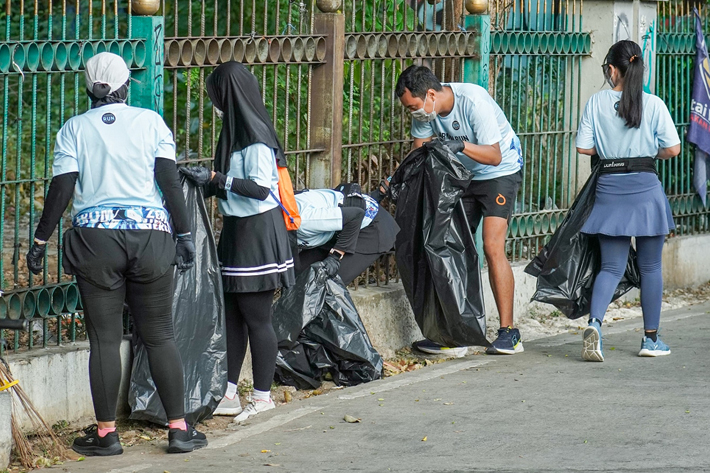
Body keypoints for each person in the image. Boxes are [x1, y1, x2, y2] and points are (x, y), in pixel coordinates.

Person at [25, 52, 206, 455]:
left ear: (89, 88)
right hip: (152, 236)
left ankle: (106, 435)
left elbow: (62, 189)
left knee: (104, 341)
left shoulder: (73, 129)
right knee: (160, 335)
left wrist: (40, 241)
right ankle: (178, 430)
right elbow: (169, 182)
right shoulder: (151, 122)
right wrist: (185, 234)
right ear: (126, 86)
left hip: (95, 241)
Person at [180, 61, 295, 423]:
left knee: (257, 317)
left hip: (258, 232)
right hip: (236, 230)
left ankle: (262, 396)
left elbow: (261, 189)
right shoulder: (233, 134)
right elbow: (228, 182)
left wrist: (217, 177)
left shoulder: (256, 137)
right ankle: (229, 392)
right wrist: (203, 180)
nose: (215, 103)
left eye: (216, 96)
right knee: (233, 316)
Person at [395, 65, 524, 356]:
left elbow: (494, 155)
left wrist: (461, 145)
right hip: (461, 176)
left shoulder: (473, 101)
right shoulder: (425, 112)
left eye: (414, 107)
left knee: (492, 246)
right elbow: (419, 153)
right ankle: (454, 334)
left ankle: (508, 333)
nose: (414, 114)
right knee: (444, 246)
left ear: (430, 94)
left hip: (499, 172)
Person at [576, 40, 680, 361]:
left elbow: (584, 148)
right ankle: (650, 340)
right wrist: (647, 152)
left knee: (611, 266)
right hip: (646, 187)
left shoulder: (595, 103)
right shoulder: (653, 104)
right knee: (650, 267)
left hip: (609, 187)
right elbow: (672, 149)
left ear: (612, 69)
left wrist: (611, 150)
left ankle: (595, 324)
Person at [293, 185, 400, 285]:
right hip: (337, 228)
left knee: (326, 285)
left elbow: (356, 215)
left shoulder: (305, 220)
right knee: (296, 276)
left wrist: (335, 256)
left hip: (370, 228)